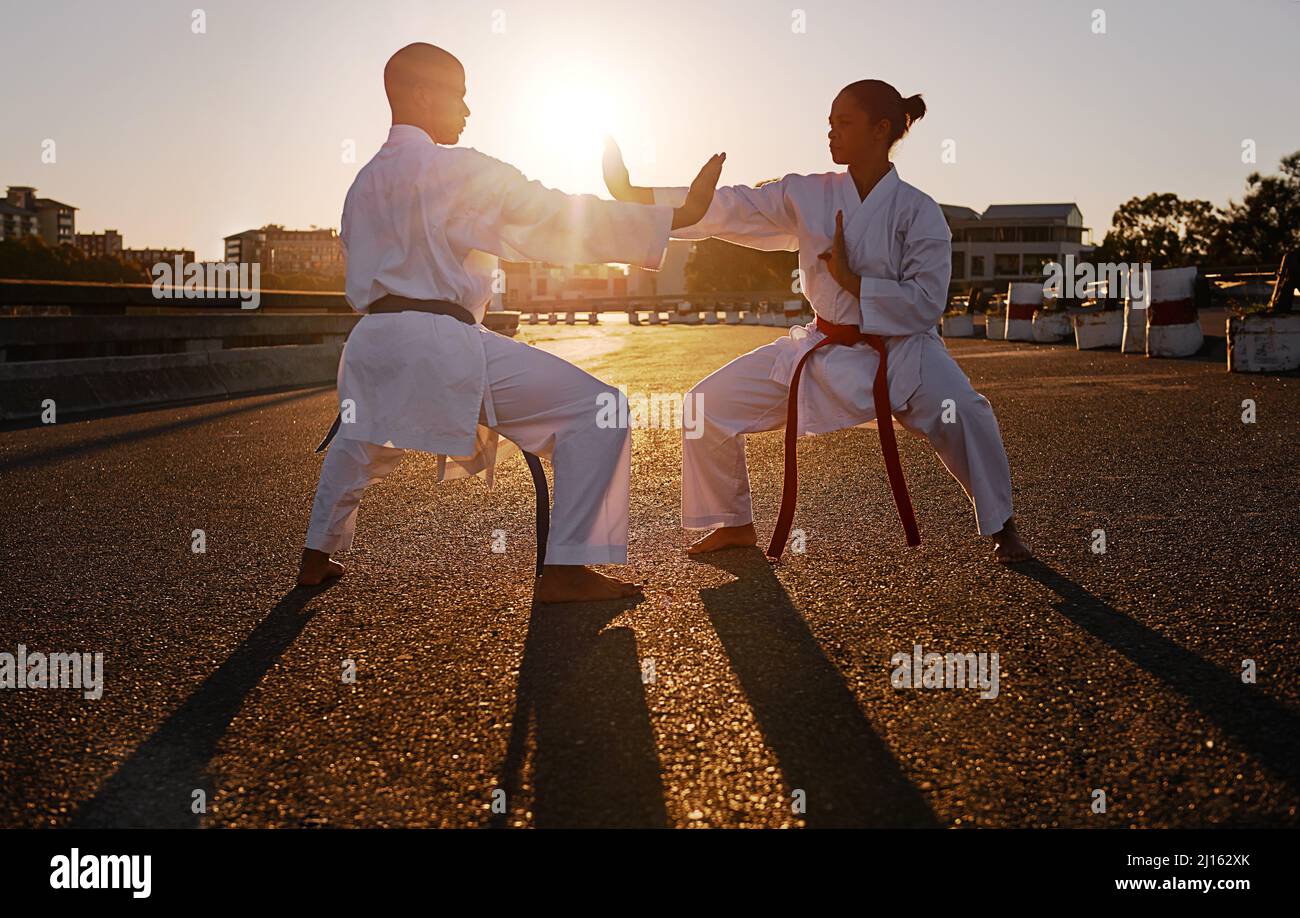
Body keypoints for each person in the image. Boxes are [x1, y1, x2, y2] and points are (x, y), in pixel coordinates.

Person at [298, 43, 726, 601]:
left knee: (359, 441)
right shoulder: (451, 168)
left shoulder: (361, 185)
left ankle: (315, 556)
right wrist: (670, 218)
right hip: (439, 339)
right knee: (600, 411)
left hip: (373, 340)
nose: (468, 112)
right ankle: (569, 568)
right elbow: (549, 212)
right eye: (459, 97)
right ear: (423, 94)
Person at [603, 79, 1031, 563]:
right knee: (706, 404)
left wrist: (855, 283)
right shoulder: (808, 194)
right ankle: (733, 523)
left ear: (881, 129)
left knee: (967, 412)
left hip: (903, 354)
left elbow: (927, 302)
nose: (831, 133)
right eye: (829, 123)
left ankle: (1003, 527)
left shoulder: (920, 211)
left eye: (844, 123)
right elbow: (732, 206)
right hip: (822, 349)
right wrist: (634, 192)